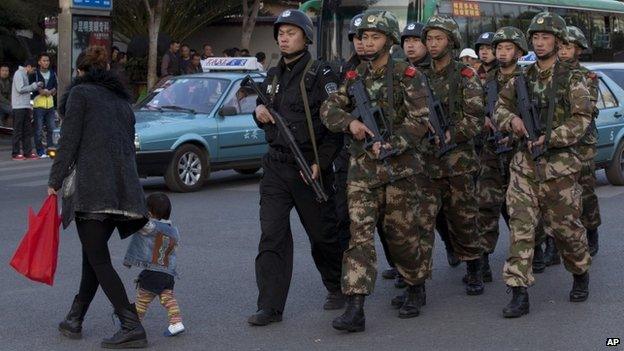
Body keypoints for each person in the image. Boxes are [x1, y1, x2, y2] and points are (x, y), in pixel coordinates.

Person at [322, 9, 432, 331]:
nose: (367, 43)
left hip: (401, 170)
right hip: (363, 171)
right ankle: (356, 308)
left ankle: (415, 284)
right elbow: (329, 108)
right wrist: (350, 122)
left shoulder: (407, 75)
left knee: (401, 238)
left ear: (388, 40)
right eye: (363, 37)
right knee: (359, 238)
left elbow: (420, 120)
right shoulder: (354, 77)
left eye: (374, 37)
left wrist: (393, 144)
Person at [248, 9, 344, 327]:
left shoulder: (321, 74)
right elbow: (265, 109)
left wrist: (321, 163)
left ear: (306, 36)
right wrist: (258, 110)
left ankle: (337, 285)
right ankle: (270, 306)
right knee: (271, 236)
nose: (284, 38)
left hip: (309, 167)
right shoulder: (273, 75)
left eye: (291, 32)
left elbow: (333, 128)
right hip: (276, 166)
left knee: (323, 235)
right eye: (281, 33)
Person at [49, 46, 149, 348]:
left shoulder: (80, 95)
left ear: (81, 73)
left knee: (99, 259)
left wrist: (54, 180)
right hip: (123, 190)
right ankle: (75, 317)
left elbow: (68, 141)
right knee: (92, 257)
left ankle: (130, 323)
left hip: (93, 189)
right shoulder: (121, 100)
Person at [495, 12, 592, 318]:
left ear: (559, 41)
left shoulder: (573, 79)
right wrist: (512, 120)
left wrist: (550, 137)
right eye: (535, 37)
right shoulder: (521, 79)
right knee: (521, 228)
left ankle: (579, 271)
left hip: (560, 168)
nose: (539, 42)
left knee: (567, 231)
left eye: (546, 37)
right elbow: (499, 108)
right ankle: (518, 291)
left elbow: (581, 122)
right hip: (524, 165)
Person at [421, 15, 486, 295]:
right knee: (422, 221)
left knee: (464, 217)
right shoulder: (417, 75)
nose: (433, 44)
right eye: (429, 39)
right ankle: (416, 283)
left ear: (451, 41)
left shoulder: (465, 75)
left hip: (458, 161)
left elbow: (475, 119)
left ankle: (474, 267)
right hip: (425, 161)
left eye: (439, 38)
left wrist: (451, 134)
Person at [401, 21, 460, 270]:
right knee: (418, 219)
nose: (411, 46)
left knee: (454, 215)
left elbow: (467, 117)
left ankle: (464, 255)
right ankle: (414, 277)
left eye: (416, 41)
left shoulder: (448, 73)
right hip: (417, 158)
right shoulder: (404, 74)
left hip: (450, 157)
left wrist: (449, 133)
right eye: (406, 41)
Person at [475, 27, 528, 283]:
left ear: (519, 51)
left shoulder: (527, 77)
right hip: (490, 151)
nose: (502, 53)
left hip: (520, 152)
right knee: (485, 205)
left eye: (508, 48)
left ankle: (534, 249)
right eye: (499, 48)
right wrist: (482, 119)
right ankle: (483, 259)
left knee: (521, 207)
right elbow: (471, 108)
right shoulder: (484, 79)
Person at [556, 25, 601, 259]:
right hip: (556, 143)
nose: (563, 51)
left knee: (585, 191)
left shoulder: (587, 77)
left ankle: (591, 230)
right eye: (561, 46)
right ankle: (555, 241)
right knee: (555, 194)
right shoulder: (547, 74)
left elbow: (587, 108)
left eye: (568, 47)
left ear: (578, 50)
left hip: (582, 143)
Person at [124, 193, 185, 337]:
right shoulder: (173, 230)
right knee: (168, 298)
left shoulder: (150, 226)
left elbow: (138, 223)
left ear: (149, 212)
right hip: (168, 274)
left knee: (142, 300)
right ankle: (176, 323)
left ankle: (133, 325)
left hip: (153, 272)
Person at [11, 57, 42, 160]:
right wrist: (34, 86)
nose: (33, 72)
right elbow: (20, 89)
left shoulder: (24, 74)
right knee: (18, 130)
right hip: (18, 106)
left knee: (27, 130)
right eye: (33, 69)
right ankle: (15, 153)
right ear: (28, 67)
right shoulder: (18, 74)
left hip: (25, 105)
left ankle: (27, 152)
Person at [31, 52, 58, 157]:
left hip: (50, 105)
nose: (46, 62)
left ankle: (50, 150)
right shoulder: (35, 73)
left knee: (51, 129)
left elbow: (56, 86)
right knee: (38, 130)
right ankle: (40, 151)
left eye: (47, 61)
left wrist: (50, 92)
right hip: (39, 106)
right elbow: (33, 87)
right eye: (44, 60)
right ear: (39, 62)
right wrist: (41, 91)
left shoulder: (52, 73)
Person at [0, 64, 11, 128]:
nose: (5, 72)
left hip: (6, 103)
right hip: (3, 102)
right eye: (3, 70)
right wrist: (9, 103)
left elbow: (10, 94)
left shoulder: (10, 81)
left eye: (6, 71)